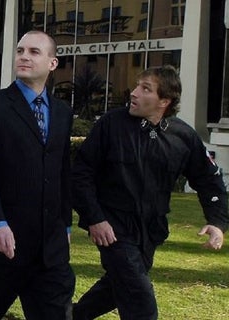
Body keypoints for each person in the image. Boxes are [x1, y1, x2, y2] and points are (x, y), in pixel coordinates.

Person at [71, 65, 229, 320]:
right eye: (136, 86)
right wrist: (95, 219)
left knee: (117, 286)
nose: (133, 93)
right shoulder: (111, 124)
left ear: (164, 101)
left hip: (151, 230)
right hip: (112, 228)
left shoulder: (183, 136)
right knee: (139, 298)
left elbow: (208, 179)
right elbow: (81, 174)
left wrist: (217, 222)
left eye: (145, 89)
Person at [0, 30, 75, 320]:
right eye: (20, 50)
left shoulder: (62, 112)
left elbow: (61, 171)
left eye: (34, 52)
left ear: (52, 63)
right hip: (1, 246)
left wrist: (66, 226)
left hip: (50, 251)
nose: (23, 56)